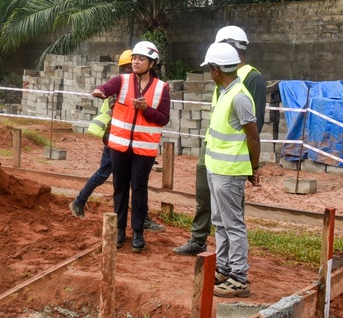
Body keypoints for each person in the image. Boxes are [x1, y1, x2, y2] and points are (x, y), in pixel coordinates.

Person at [174, 26, 266, 256]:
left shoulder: (251, 78)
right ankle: (200, 239)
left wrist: (248, 163)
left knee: (229, 212)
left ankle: (232, 261)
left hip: (232, 156)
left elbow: (254, 127)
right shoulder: (222, 76)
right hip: (213, 149)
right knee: (205, 196)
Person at [70, 49, 165, 232]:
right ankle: (79, 202)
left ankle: (80, 202)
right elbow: (122, 112)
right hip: (117, 140)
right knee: (111, 176)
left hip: (125, 140)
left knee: (132, 182)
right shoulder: (121, 86)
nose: (134, 66)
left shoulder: (135, 84)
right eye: (131, 63)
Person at [92, 41, 171, 252]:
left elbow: (163, 118)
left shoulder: (161, 88)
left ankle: (137, 232)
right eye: (134, 58)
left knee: (138, 189)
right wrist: (100, 91)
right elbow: (107, 88)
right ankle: (119, 231)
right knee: (119, 188)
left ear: (152, 63)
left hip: (143, 150)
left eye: (141, 59)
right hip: (119, 147)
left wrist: (146, 109)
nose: (135, 62)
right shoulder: (122, 80)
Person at [199, 41, 261, 297]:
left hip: (230, 172)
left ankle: (239, 277)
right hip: (217, 169)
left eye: (209, 69)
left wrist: (254, 168)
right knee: (220, 222)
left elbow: (253, 137)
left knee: (233, 224)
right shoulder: (226, 93)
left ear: (216, 70)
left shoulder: (239, 97)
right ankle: (224, 267)